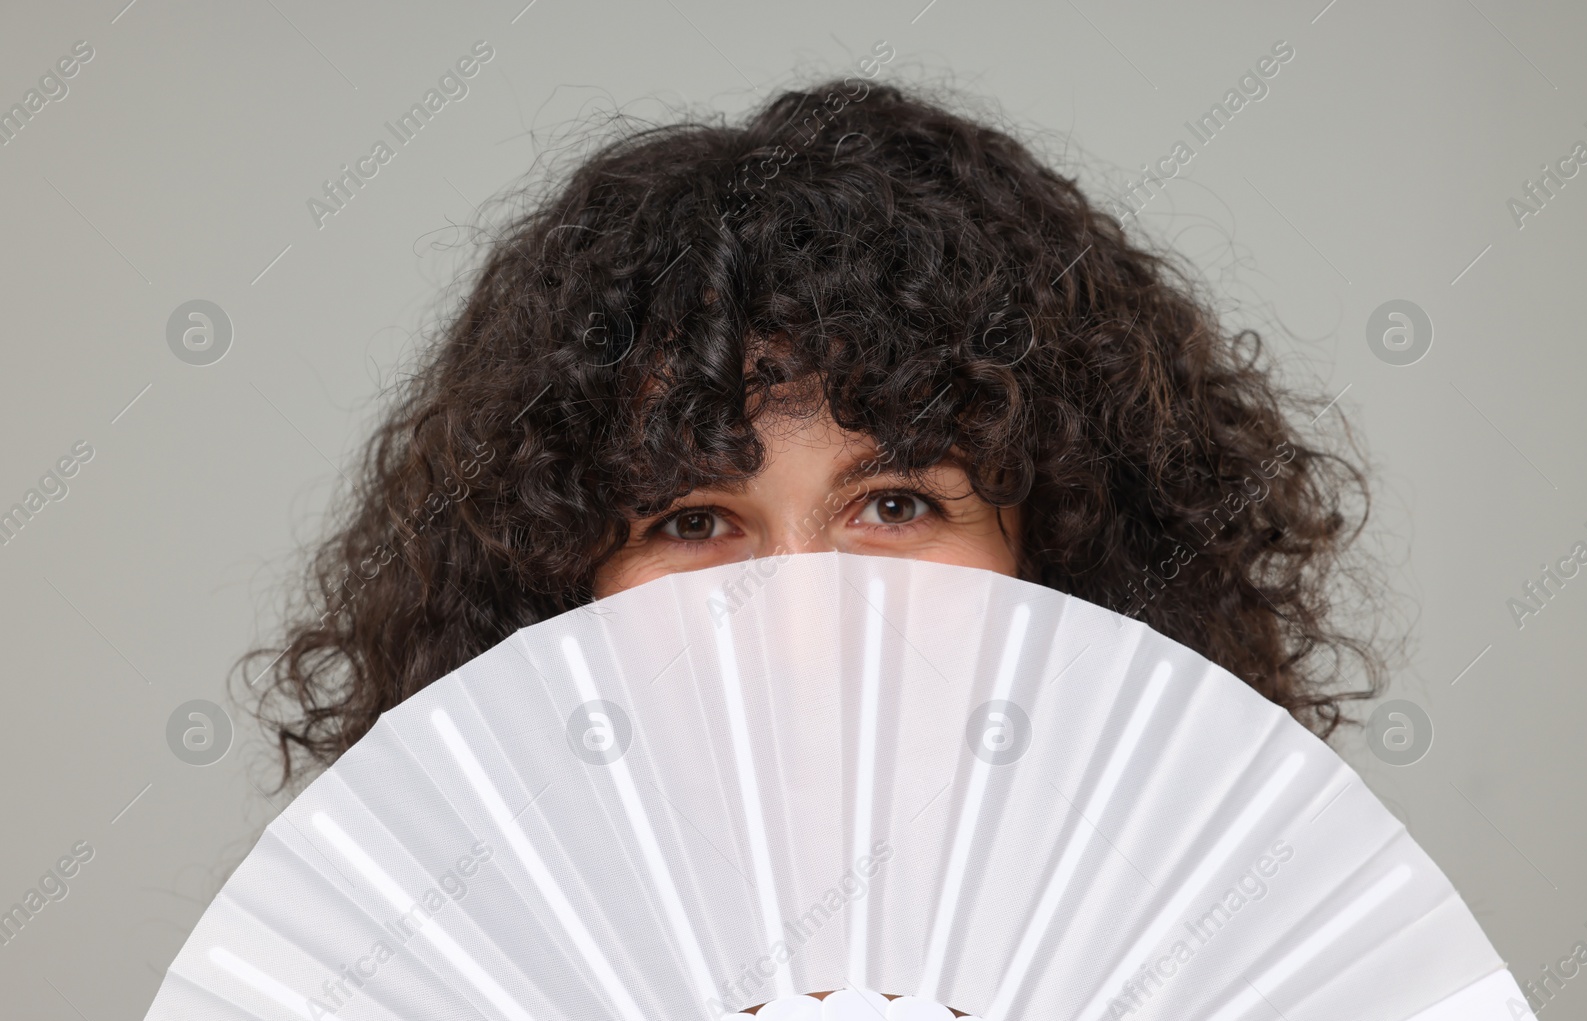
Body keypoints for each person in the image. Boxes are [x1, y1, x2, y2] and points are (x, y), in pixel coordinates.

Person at [243, 78, 1382, 794]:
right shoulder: (437, 993)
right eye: (692, 521)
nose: (802, 616)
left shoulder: (1225, 967)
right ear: (555, 592)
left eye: (895, 503)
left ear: (1063, 554)